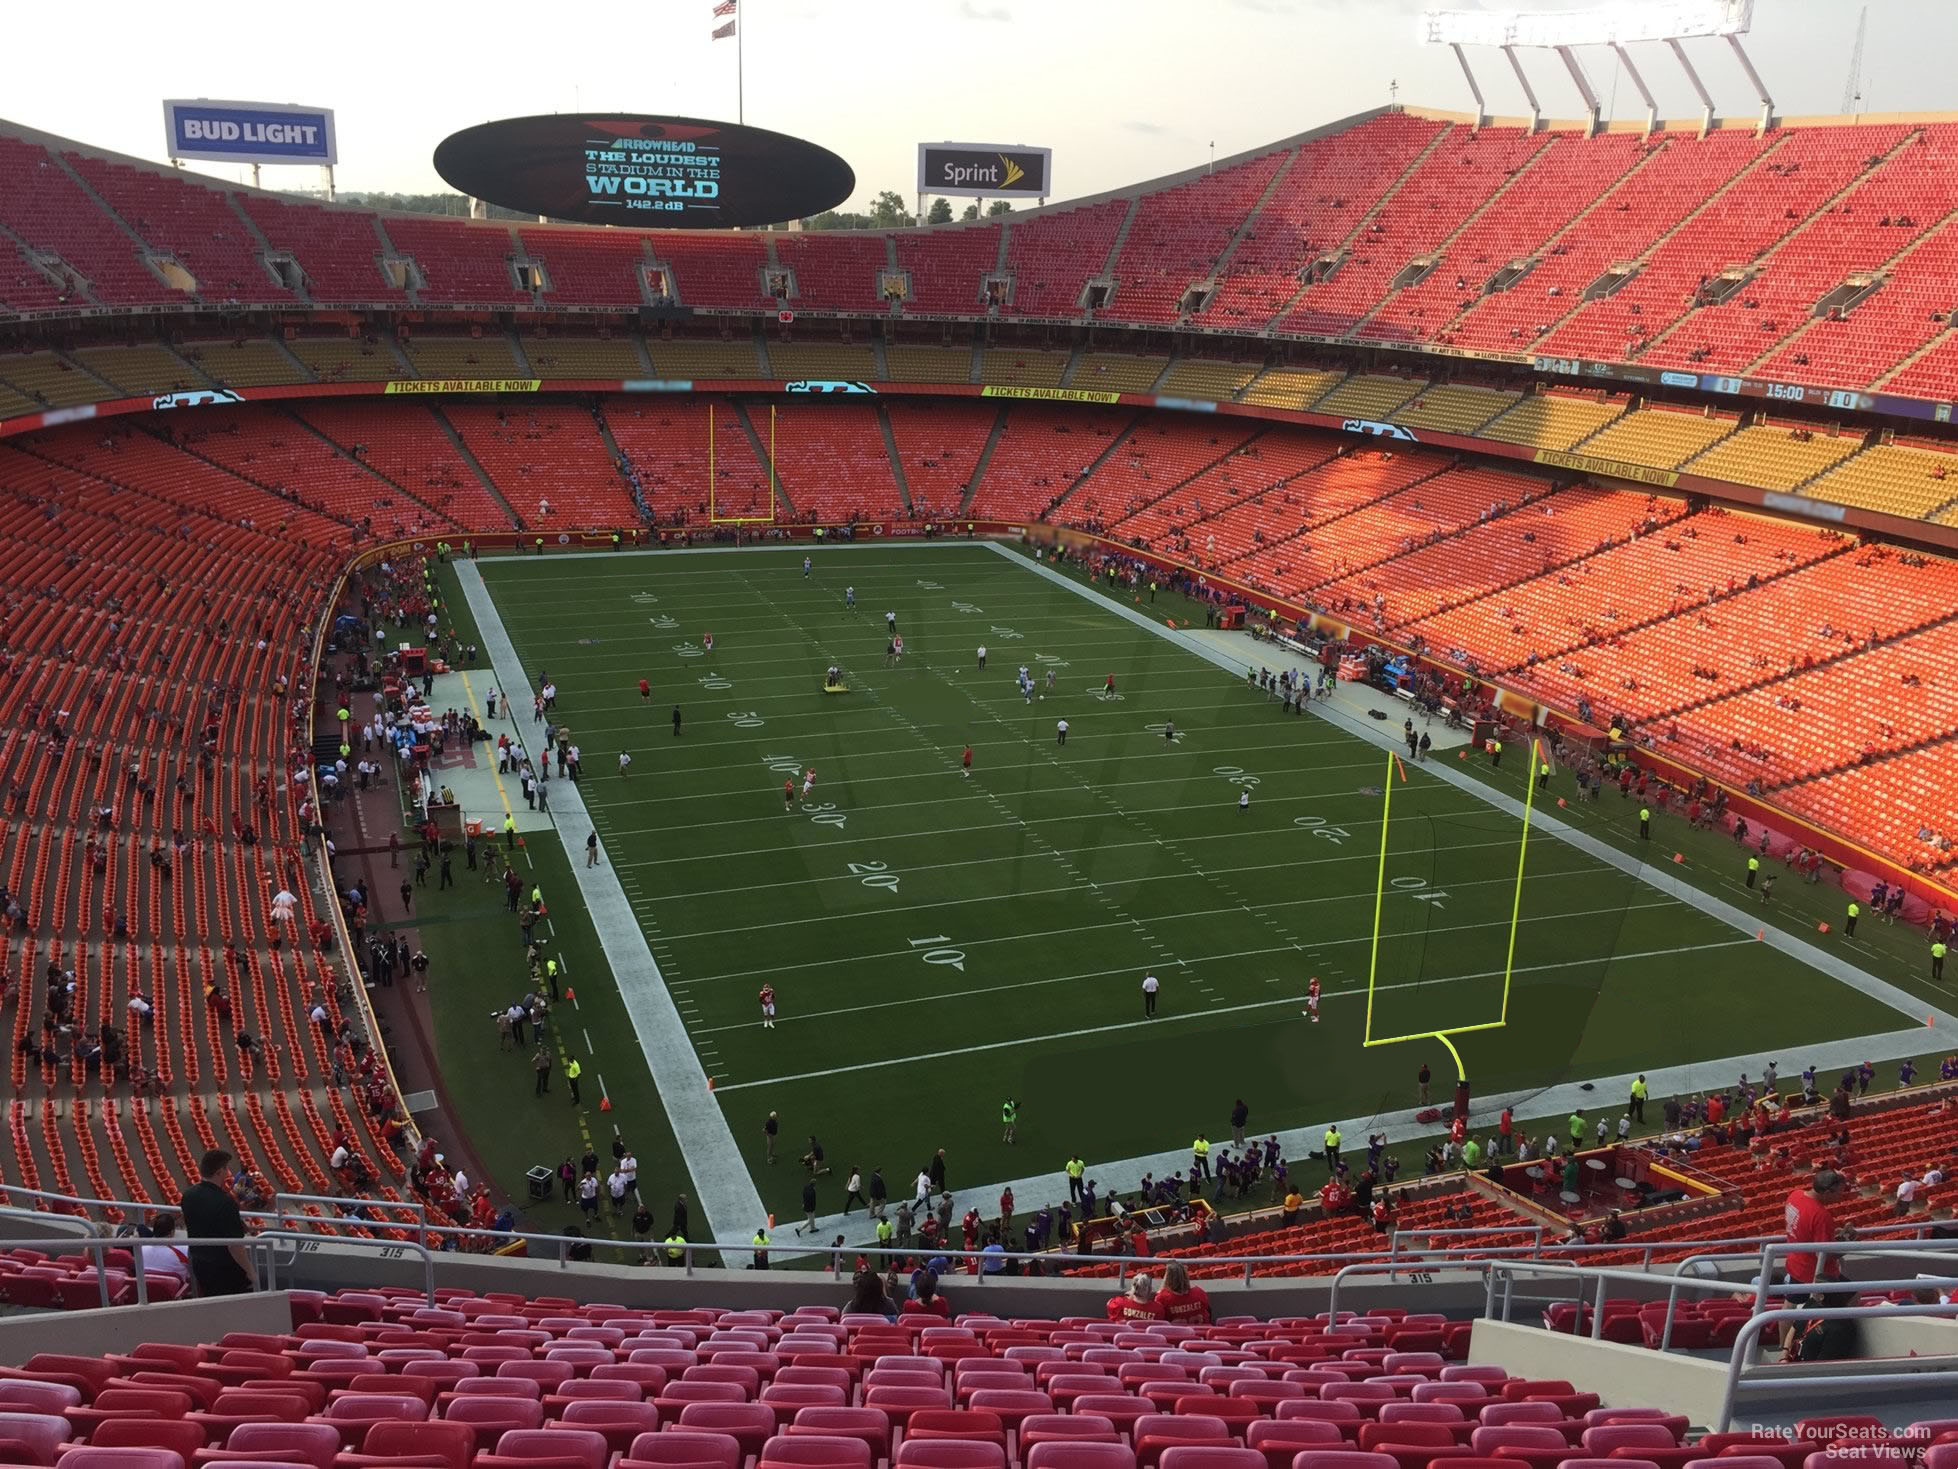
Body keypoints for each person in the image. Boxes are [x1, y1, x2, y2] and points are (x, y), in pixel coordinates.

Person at [178, 1149, 253, 1297]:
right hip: (224, 1270)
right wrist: (251, 1272)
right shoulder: (225, 1202)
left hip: (199, 1264)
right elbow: (234, 1245)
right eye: (226, 1168)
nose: (228, 1171)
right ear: (219, 1172)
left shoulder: (188, 1195)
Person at [137, 1213, 192, 1291]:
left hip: (147, 1293)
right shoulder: (184, 1249)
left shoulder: (141, 1250)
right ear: (172, 1232)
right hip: (175, 1294)